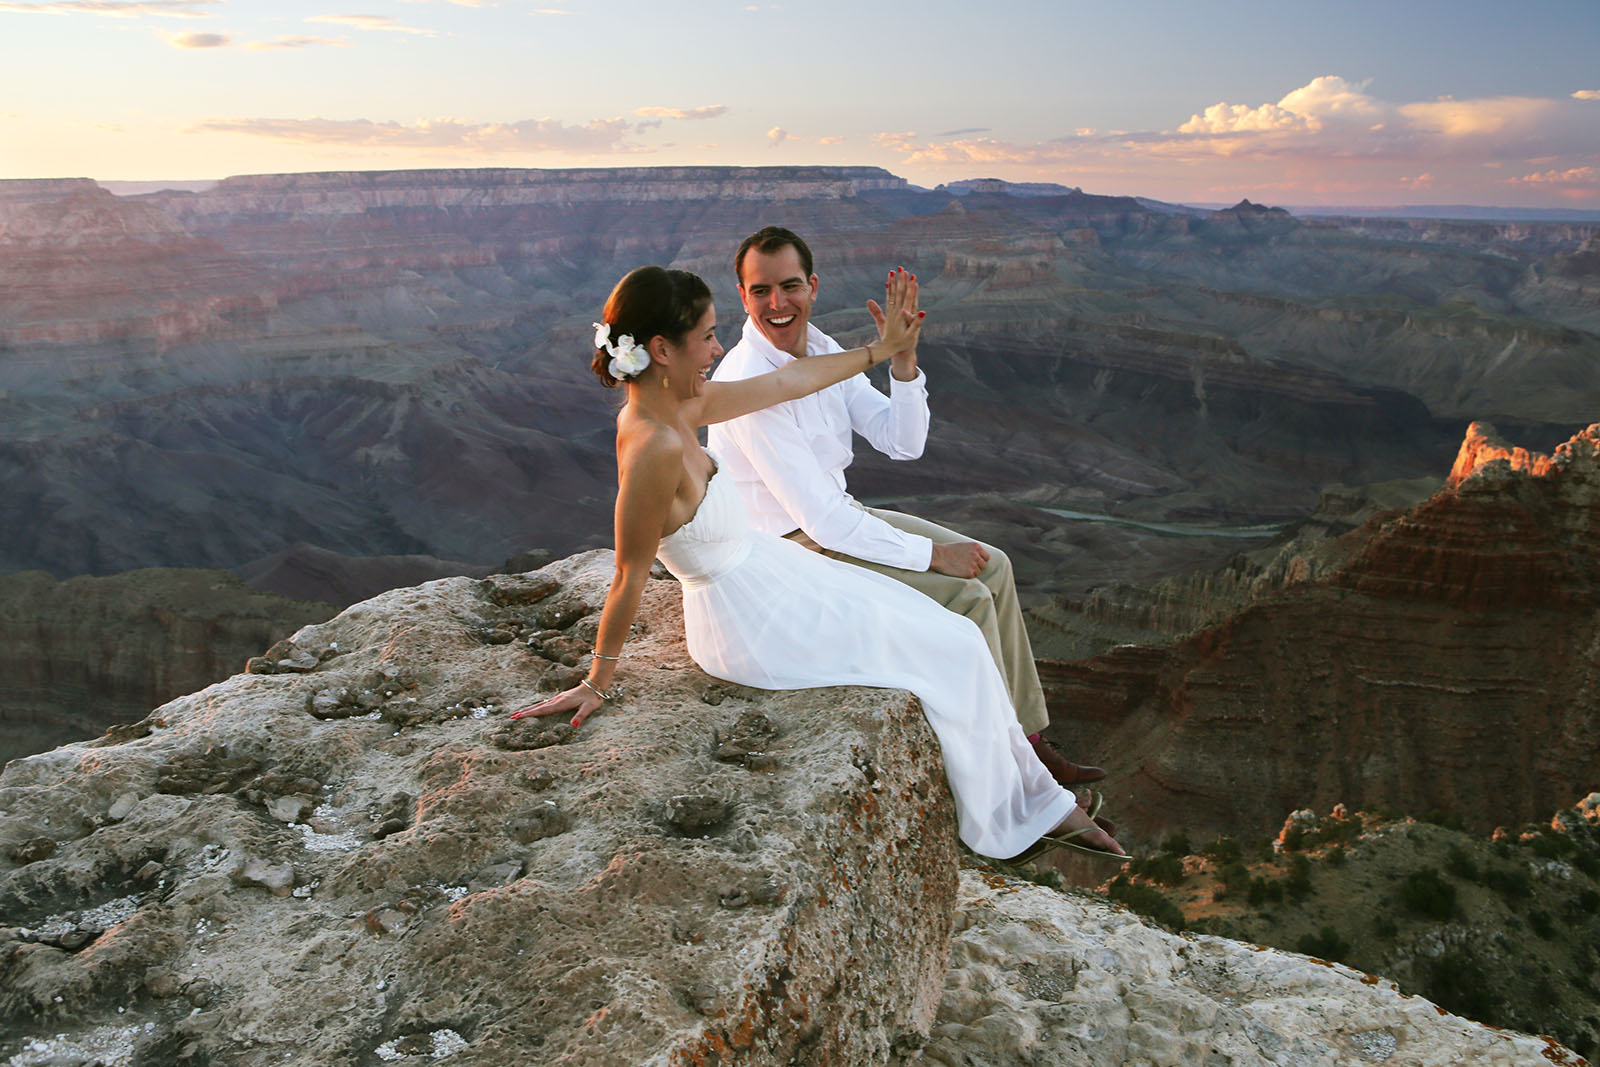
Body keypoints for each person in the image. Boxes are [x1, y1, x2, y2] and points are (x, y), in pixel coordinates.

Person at [511, 265, 1124, 862]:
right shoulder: (655, 446)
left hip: (771, 573)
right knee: (953, 646)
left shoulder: (682, 409)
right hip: (748, 621)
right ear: (661, 350)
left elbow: (788, 384)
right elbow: (628, 573)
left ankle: (1037, 795)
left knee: (956, 635)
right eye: (706, 337)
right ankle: (1024, 813)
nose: (717, 348)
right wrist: (596, 680)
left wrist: (879, 351)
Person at [706, 226, 1104, 789]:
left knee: (996, 564)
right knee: (966, 599)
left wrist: (904, 363)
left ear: (813, 287)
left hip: (837, 524)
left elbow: (902, 443)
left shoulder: (821, 351)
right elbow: (821, 522)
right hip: (786, 552)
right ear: (743, 297)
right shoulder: (749, 381)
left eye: (789, 286)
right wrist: (930, 555)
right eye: (760, 290)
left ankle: (1031, 742)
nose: (777, 303)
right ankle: (1004, 768)